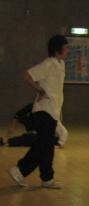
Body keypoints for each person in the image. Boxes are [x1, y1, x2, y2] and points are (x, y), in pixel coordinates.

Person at [8, 35, 69, 189]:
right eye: (66, 47)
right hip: (43, 111)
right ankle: (20, 170)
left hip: (52, 112)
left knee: (47, 147)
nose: (68, 50)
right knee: (43, 146)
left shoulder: (60, 65)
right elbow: (27, 76)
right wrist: (39, 90)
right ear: (57, 50)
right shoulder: (48, 64)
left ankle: (47, 178)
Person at [1, 103, 68, 148]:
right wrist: (12, 127)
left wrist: (60, 143)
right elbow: (18, 115)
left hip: (50, 138)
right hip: (39, 134)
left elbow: (63, 131)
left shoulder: (48, 113)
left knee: (32, 139)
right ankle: (6, 142)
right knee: (30, 138)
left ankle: (7, 142)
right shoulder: (33, 107)